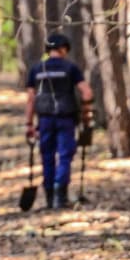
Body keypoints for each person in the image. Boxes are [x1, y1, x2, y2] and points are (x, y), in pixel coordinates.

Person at [24, 33, 94, 209]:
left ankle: (49, 197)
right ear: (63, 49)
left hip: (45, 119)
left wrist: (29, 124)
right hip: (66, 118)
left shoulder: (37, 69)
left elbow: (31, 99)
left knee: (47, 156)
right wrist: (86, 114)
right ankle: (59, 196)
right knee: (64, 155)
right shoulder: (70, 68)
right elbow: (87, 93)